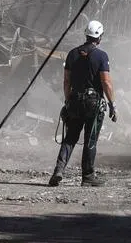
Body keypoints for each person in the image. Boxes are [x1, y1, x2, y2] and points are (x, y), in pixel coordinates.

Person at [49, 20, 116, 187]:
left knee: (70, 137)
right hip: (93, 104)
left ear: (86, 35)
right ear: (99, 37)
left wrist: (67, 100)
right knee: (90, 140)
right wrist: (112, 104)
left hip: (75, 100)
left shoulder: (72, 54)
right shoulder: (101, 56)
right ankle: (87, 176)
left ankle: (59, 170)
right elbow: (106, 83)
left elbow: (66, 81)